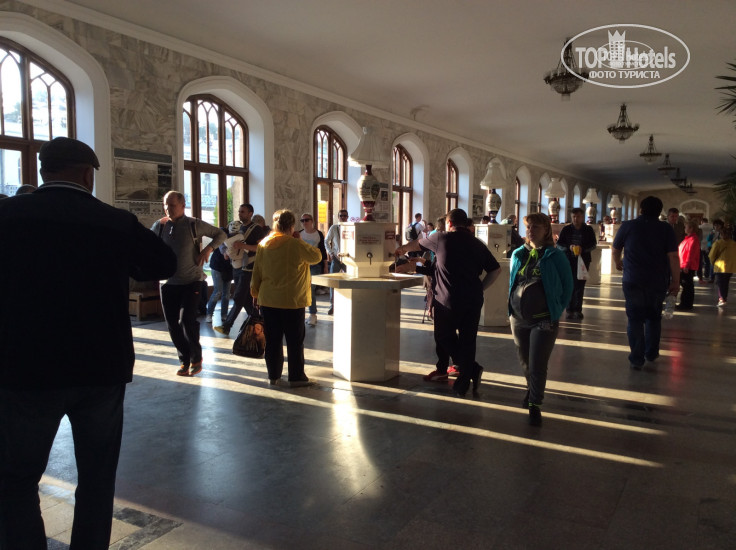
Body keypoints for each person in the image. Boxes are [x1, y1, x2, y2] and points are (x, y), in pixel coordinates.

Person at [0, 137, 177, 548]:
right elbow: (164, 263)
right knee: (97, 479)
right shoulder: (113, 221)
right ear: (86, 174)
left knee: (16, 480)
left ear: (43, 171)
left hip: (26, 367)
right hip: (100, 366)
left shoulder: (8, 216)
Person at [396, 208, 501, 397]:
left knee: (443, 336)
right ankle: (464, 382)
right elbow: (495, 270)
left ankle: (472, 369)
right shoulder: (477, 244)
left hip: (447, 300)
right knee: (468, 340)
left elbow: (417, 245)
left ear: (449, 223)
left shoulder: (441, 238)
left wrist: (401, 249)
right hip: (472, 300)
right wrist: (481, 288)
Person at [152, 191, 226, 376]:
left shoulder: (194, 224)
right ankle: (184, 360)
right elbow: (148, 243)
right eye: (165, 205)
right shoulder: (160, 226)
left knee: (186, 320)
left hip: (191, 281)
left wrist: (208, 249)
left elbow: (220, 234)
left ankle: (196, 358)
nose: (168, 208)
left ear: (183, 205)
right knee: (172, 324)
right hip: (167, 282)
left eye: (172, 205)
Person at [509, 213, 573, 426]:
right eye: (528, 227)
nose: (531, 231)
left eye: (536, 227)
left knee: (537, 363)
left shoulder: (555, 256)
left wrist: (556, 309)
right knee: (525, 361)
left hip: (544, 319)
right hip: (518, 317)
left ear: (546, 230)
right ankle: (532, 389)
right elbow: (513, 282)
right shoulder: (518, 254)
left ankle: (535, 404)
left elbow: (568, 286)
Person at [251, 209, 323, 387]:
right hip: (292, 300)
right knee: (294, 341)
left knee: (273, 340)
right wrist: (300, 240)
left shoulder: (264, 244)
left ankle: (273, 376)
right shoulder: (295, 244)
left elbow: (257, 271)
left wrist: (255, 293)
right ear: (292, 226)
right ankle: (296, 377)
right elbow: (317, 257)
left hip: (268, 299)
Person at [612, 196, 679, 370]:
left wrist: (617, 262)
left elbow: (616, 248)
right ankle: (651, 352)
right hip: (657, 281)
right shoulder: (666, 229)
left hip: (633, 279)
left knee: (635, 319)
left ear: (641, 209)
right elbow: (673, 256)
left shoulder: (628, 226)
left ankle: (636, 358)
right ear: (659, 211)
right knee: (653, 317)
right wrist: (676, 281)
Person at [214, 204, 266, 335]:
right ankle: (258, 323)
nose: (240, 214)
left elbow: (261, 248)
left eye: (243, 212)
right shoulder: (238, 227)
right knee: (246, 299)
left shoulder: (257, 229)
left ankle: (227, 326)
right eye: (239, 211)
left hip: (249, 268)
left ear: (250, 213)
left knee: (238, 297)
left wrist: (243, 246)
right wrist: (226, 251)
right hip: (237, 267)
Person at [555, 207, 597, 320]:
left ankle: (577, 310)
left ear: (582, 217)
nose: (575, 219)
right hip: (568, 260)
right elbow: (559, 244)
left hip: (583, 261)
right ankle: (569, 310)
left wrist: (583, 249)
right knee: (569, 284)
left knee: (580, 285)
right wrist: (568, 247)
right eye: (573, 217)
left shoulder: (588, 230)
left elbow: (593, 244)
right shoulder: (566, 229)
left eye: (578, 216)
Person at [298, 213, 327, 325]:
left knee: (310, 289)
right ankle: (302, 314)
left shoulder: (318, 234)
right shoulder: (299, 234)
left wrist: (325, 266)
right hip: (301, 265)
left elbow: (322, 251)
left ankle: (312, 314)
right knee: (301, 290)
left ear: (312, 221)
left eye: (306, 220)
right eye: (302, 220)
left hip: (315, 265)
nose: (304, 222)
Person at [205, 223, 237, 324]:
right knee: (218, 291)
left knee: (226, 293)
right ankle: (209, 314)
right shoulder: (222, 236)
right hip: (217, 267)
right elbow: (225, 255)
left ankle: (224, 315)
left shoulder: (234, 238)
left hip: (227, 268)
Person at [325, 209, 348, 315]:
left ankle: (347, 303)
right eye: (341, 216)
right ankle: (332, 305)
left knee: (349, 281)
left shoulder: (350, 227)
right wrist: (331, 253)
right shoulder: (334, 228)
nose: (343, 217)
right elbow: (326, 241)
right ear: (338, 217)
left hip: (347, 259)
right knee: (332, 281)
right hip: (336, 258)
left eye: (345, 216)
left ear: (347, 217)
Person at [709, 223, 736, 307]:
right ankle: (724, 298)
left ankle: (721, 299)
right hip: (730, 267)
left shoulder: (718, 243)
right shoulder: (733, 243)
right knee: (726, 283)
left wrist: (712, 263)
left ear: (720, 235)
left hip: (720, 266)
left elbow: (712, 255)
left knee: (720, 283)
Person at [676, 220, 700, 311]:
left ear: (691, 228)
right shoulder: (688, 239)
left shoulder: (693, 239)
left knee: (687, 286)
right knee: (686, 286)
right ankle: (685, 303)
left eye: (686, 227)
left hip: (687, 266)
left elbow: (691, 254)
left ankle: (686, 304)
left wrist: (686, 265)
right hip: (683, 265)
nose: (684, 229)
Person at [698, 217, 713, 283]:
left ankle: (700, 275)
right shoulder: (711, 227)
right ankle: (707, 274)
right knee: (707, 261)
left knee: (700, 261)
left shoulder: (700, 227)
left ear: (702, 221)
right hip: (708, 245)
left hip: (700, 245)